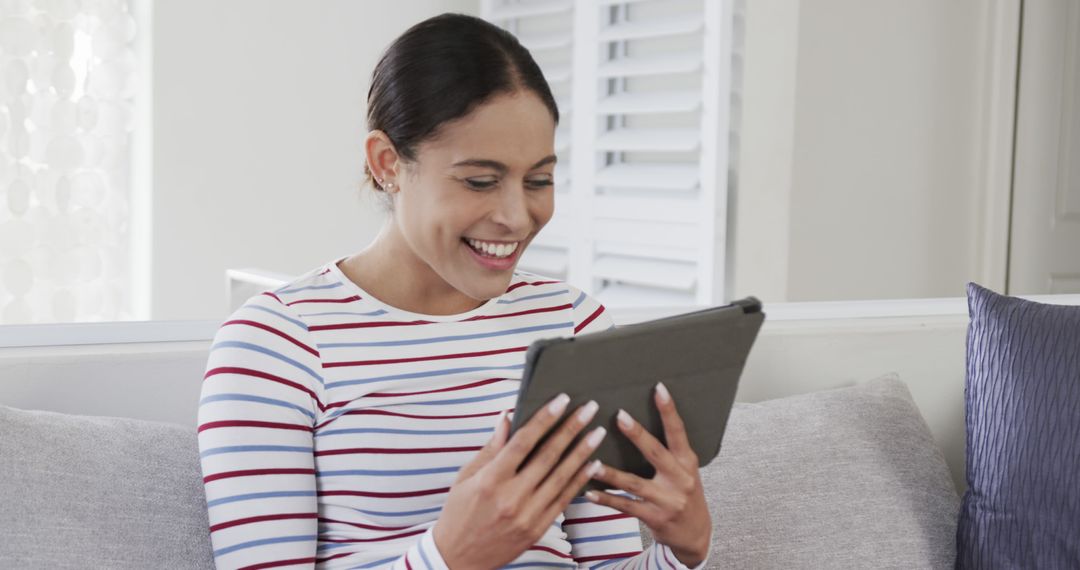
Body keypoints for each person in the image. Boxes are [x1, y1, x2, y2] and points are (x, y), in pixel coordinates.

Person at [197, 13, 713, 570]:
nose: (517, 216)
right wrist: (450, 556)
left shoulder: (574, 325)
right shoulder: (277, 344)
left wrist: (683, 552)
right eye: (480, 181)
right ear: (388, 164)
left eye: (538, 180)